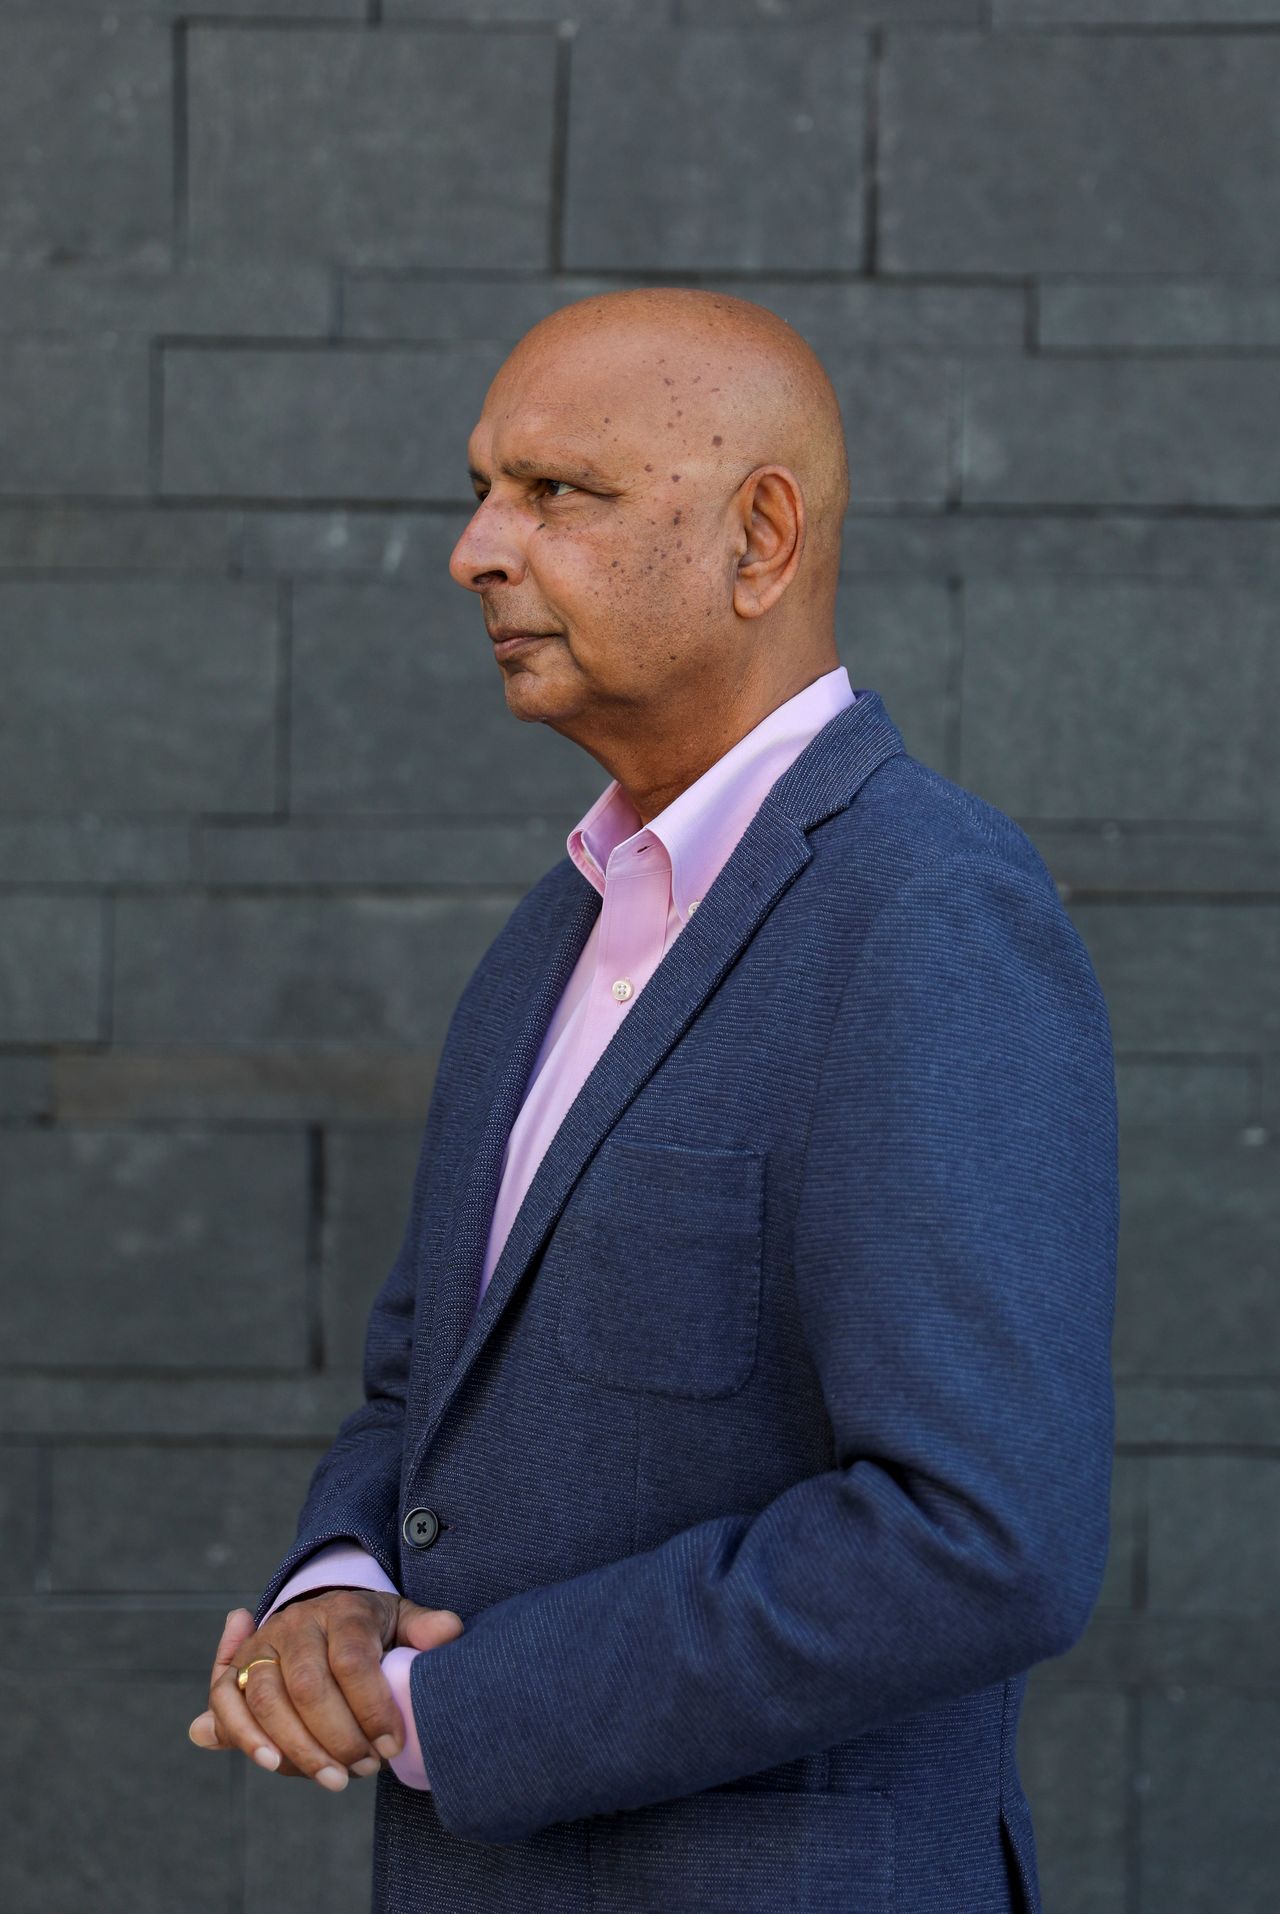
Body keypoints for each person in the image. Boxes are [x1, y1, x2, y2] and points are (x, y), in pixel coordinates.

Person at [187, 286, 1118, 1914]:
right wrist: (333, 1590)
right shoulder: (557, 930)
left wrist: (451, 1709)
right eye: (483, 488)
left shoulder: (928, 911)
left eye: (558, 493)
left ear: (762, 539)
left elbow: (978, 1534)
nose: (477, 548)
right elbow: (426, 1404)